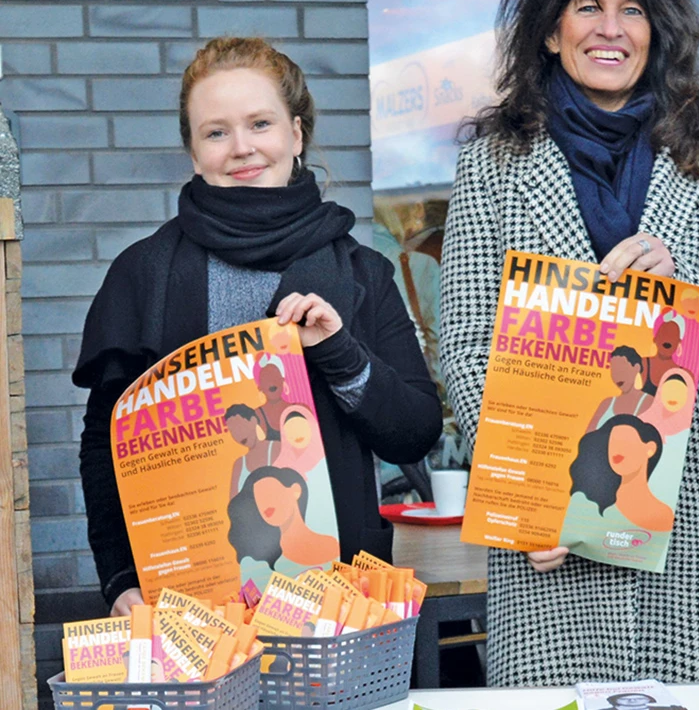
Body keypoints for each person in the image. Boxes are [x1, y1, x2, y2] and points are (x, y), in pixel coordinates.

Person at [440, 0, 699, 685]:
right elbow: (462, 346)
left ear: (658, 31)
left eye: (632, 9)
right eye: (588, 7)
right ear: (551, 32)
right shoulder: (493, 166)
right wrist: (528, 496)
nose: (611, 29)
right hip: (549, 529)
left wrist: (682, 289)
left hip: (689, 526)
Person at [75, 36, 443, 616]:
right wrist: (120, 579)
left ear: (296, 135)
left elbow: (414, 433)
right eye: (216, 132)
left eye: (260, 123)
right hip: (189, 608)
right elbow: (105, 443)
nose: (241, 147)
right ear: (194, 153)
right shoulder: (143, 274)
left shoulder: (362, 273)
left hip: (338, 605)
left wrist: (341, 354)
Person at [569, 414, 674, 532]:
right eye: (613, 443)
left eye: (626, 441)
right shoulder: (588, 504)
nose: (617, 450)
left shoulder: (664, 515)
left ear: (650, 449)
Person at [227, 466, 340, 572]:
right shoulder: (260, 566)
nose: (264, 502)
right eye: (258, 498)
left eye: (269, 492)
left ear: (296, 491)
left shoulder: (332, 545)